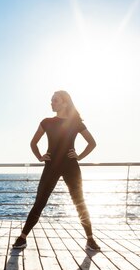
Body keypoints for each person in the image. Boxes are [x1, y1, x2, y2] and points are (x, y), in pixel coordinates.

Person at [12, 90, 100, 251]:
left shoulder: (76, 123)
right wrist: (40, 156)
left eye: (55, 100)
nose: (51, 103)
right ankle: (22, 237)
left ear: (65, 103)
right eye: (51, 100)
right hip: (51, 166)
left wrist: (79, 156)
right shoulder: (46, 122)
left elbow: (92, 143)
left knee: (79, 202)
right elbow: (33, 143)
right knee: (40, 202)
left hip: (71, 167)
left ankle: (90, 239)